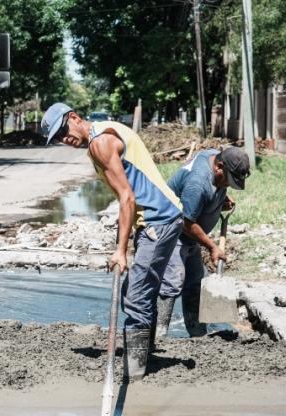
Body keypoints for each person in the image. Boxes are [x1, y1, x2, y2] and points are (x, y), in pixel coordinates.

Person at [40, 103, 182, 380]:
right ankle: (145, 351)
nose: (63, 139)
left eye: (62, 131)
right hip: (161, 218)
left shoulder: (99, 143)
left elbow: (127, 197)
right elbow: (127, 197)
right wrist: (125, 243)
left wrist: (121, 251)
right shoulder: (106, 133)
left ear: (74, 117)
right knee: (136, 288)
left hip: (157, 220)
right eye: (57, 138)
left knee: (137, 295)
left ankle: (135, 372)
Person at [156, 147, 250, 337]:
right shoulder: (197, 184)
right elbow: (186, 222)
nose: (228, 185)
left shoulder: (213, 155)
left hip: (189, 236)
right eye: (227, 181)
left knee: (194, 282)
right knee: (171, 283)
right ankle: (157, 336)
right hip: (171, 232)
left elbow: (211, 189)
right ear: (218, 167)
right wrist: (212, 246)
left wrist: (220, 196)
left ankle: (198, 336)